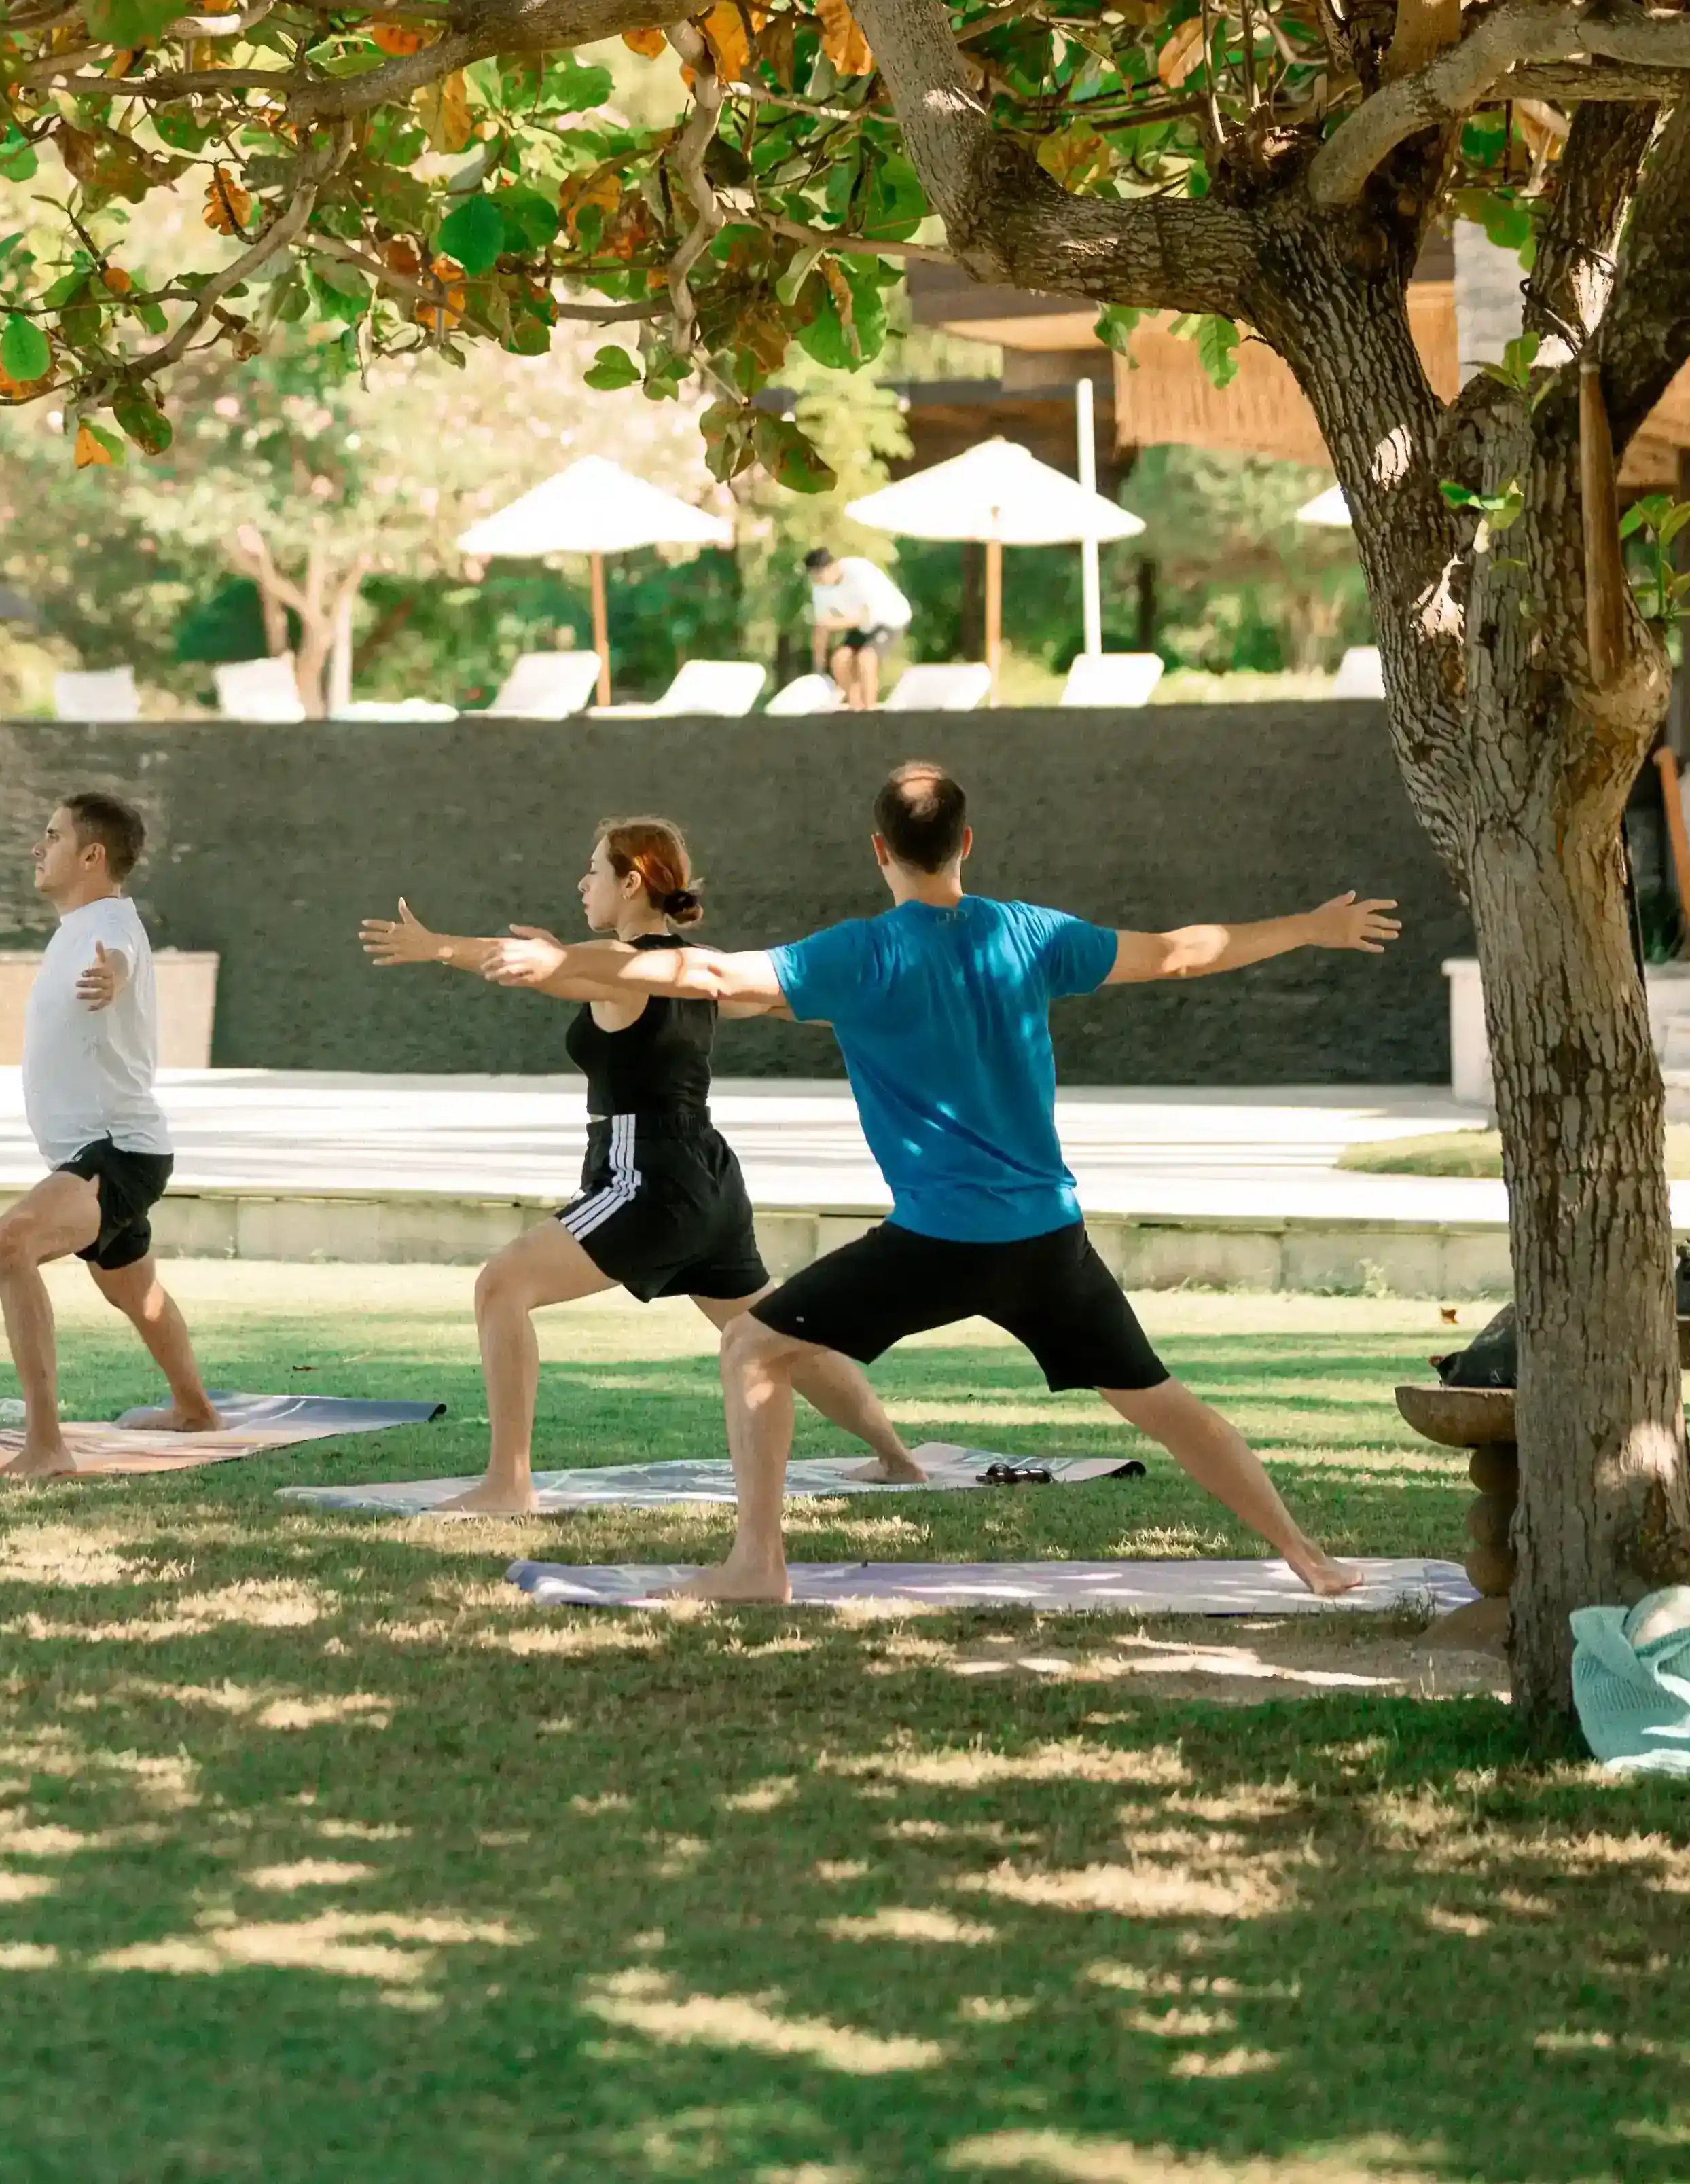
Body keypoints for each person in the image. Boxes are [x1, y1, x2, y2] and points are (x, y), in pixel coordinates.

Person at [478, 760, 1395, 1600]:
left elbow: (709, 973)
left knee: (753, 1351)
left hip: (937, 1244)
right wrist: (1313, 927)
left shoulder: (863, 953)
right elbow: (1183, 950)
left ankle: (758, 1565)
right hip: (1048, 1242)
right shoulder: (1031, 935)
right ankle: (1310, 1559)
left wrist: (561, 962)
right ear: (966, 844)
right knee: (1162, 1404)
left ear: (880, 851)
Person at [359, 816, 923, 1513]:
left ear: (631, 883)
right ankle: (898, 1460)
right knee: (780, 1336)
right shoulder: (694, 966)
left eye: (594, 870)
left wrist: (435, 947)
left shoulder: (621, 971)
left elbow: (526, 963)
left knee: (500, 1286)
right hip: (708, 1176)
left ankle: (507, 1484)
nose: (582, 881)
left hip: (647, 1177)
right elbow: (778, 999)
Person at [0, 791, 220, 1477]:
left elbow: (116, 958)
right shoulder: (78, 927)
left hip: (115, 1150)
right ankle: (194, 1409)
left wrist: (110, 977)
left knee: (10, 1243)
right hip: (108, 1151)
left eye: (52, 836)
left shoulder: (108, 927)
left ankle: (47, 1447)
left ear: (91, 855)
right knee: (133, 1291)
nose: (38, 846)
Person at [806, 548, 912, 710]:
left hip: (889, 619)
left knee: (866, 658)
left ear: (833, 567)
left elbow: (865, 616)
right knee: (839, 661)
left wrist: (834, 624)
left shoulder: (859, 571)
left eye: (821, 577)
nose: (820, 582)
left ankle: (870, 709)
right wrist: (818, 667)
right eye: (815, 578)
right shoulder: (820, 589)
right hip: (860, 625)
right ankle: (856, 705)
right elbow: (821, 629)